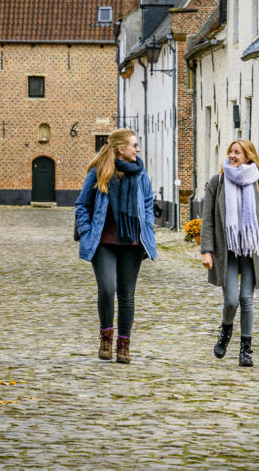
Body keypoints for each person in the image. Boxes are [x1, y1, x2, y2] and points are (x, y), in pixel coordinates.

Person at [199, 139, 259, 367]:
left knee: (246, 299)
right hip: (226, 251)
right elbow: (207, 220)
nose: (232, 155)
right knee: (231, 300)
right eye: (230, 151)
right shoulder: (217, 182)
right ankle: (226, 331)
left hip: (251, 250)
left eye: (237, 152)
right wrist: (206, 251)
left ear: (248, 156)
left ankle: (246, 350)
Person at [75, 128, 157, 364]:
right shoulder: (99, 172)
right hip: (104, 242)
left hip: (131, 241)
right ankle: (106, 337)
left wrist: (148, 227)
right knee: (107, 289)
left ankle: (123, 344)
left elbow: (149, 203)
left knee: (127, 294)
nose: (137, 149)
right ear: (121, 149)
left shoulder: (140, 174)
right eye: (134, 145)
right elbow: (82, 205)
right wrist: (86, 231)